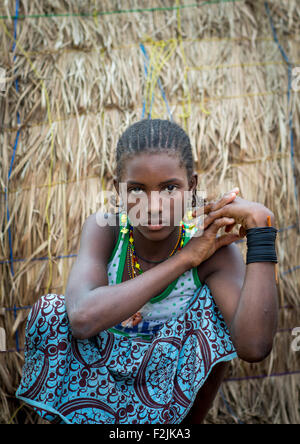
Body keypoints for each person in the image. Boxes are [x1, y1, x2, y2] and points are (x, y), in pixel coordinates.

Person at [16, 119, 278, 424]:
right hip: (95, 389)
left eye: (170, 188)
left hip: (169, 402)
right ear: (118, 190)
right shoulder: (107, 229)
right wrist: (184, 260)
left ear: (192, 187)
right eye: (137, 190)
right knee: (51, 311)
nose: (153, 206)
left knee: (214, 313)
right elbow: (82, 320)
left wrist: (261, 227)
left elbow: (254, 345)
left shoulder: (211, 249)